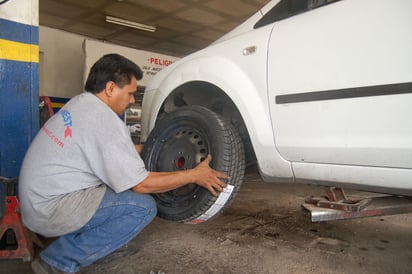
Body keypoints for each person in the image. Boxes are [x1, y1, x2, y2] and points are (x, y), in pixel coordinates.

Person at [18, 53, 228, 274]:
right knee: (141, 207)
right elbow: (141, 184)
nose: (131, 100)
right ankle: (57, 261)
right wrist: (194, 175)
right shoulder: (103, 121)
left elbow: (119, 154)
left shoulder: (82, 104)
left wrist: (158, 148)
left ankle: (103, 243)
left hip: (37, 202)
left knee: (118, 186)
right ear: (110, 88)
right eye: (130, 93)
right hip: (50, 210)